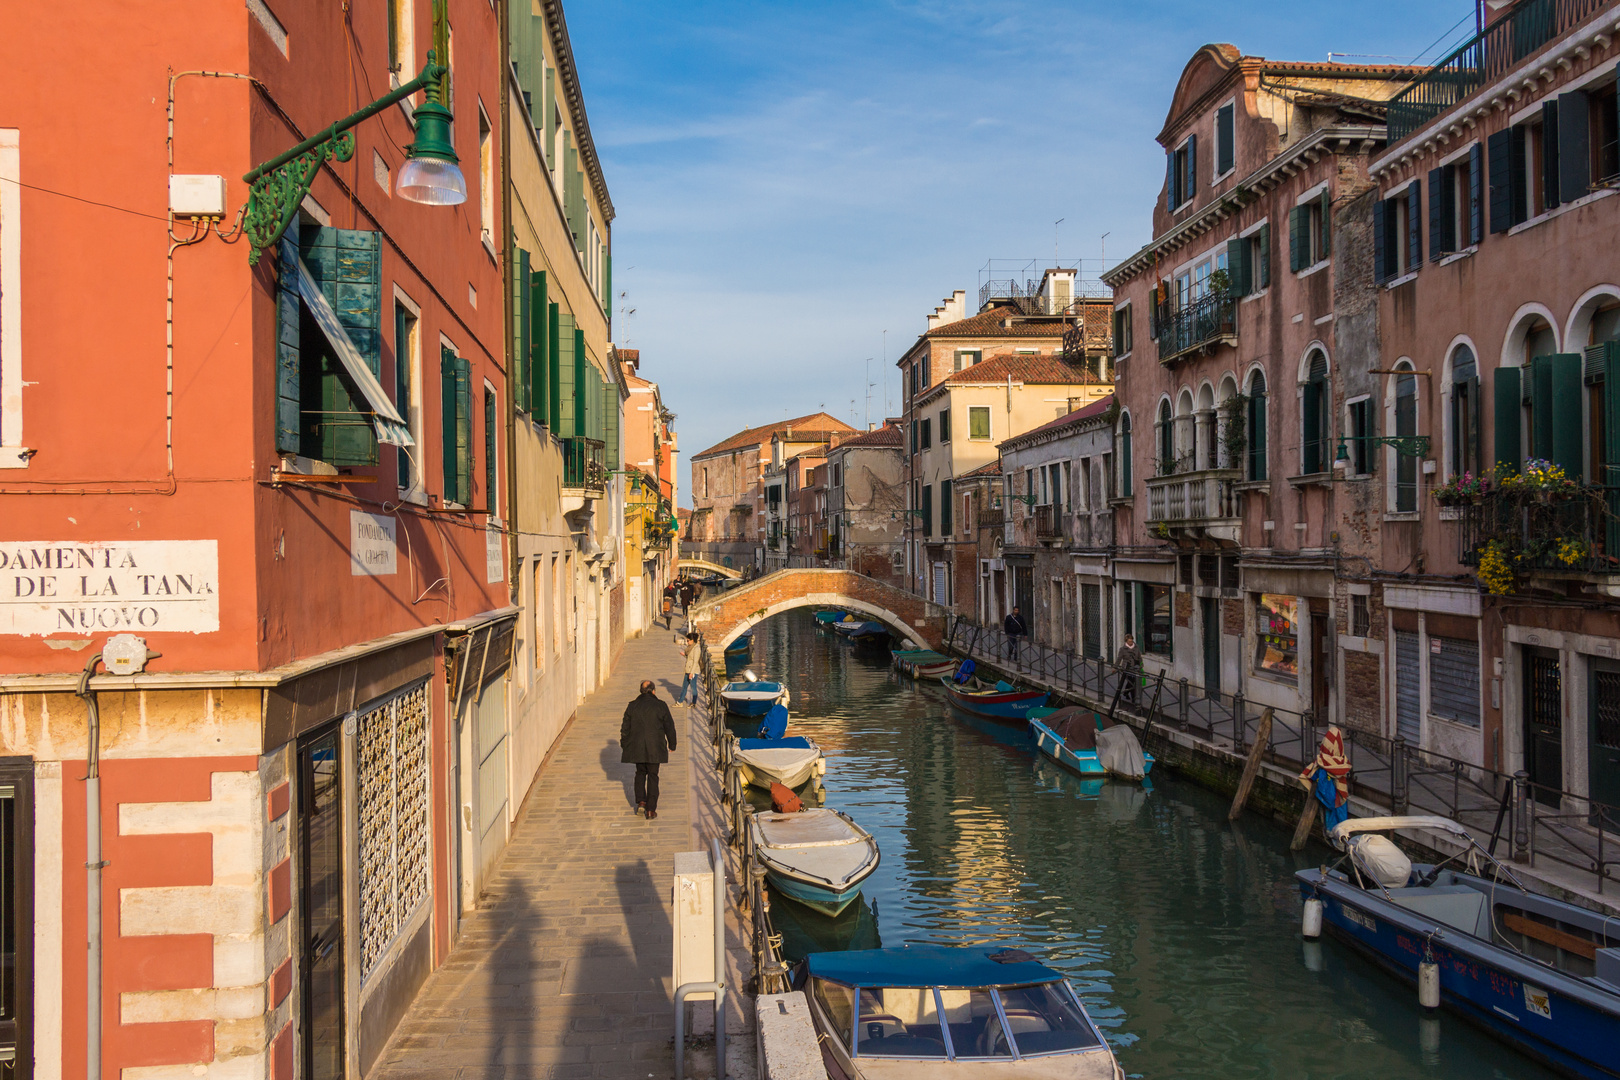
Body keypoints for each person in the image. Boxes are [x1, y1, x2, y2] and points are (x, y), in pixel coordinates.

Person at [621, 679, 677, 820]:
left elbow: (625, 729)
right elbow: (669, 726)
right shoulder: (661, 706)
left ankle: (641, 801)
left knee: (640, 773)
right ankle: (651, 810)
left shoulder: (632, 706)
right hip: (655, 748)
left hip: (637, 747)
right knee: (653, 775)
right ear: (653, 691)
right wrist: (672, 744)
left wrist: (625, 744)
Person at [1115, 633, 1141, 709]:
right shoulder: (1122, 649)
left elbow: (1139, 657)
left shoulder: (1136, 648)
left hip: (1135, 667)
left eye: (1132, 641)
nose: (1131, 642)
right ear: (1126, 641)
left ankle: (1126, 692)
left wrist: (1141, 665)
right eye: (1129, 641)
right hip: (1126, 668)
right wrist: (1115, 667)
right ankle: (1133, 698)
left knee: (1131, 682)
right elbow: (1119, 659)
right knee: (1131, 682)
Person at [679, 632, 702, 705]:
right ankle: (680, 702)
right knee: (684, 687)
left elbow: (695, 662)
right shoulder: (690, 648)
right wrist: (684, 655)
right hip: (688, 670)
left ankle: (694, 702)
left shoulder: (696, 649)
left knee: (693, 688)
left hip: (693, 671)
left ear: (692, 640)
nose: (687, 642)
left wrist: (692, 673)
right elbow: (690, 658)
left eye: (688, 640)